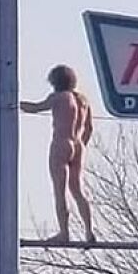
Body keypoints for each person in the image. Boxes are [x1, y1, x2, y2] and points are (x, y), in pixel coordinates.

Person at [21, 64, 95, 245]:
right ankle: (89, 231)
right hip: (78, 145)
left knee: (59, 191)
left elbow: (36, 107)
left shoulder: (59, 97)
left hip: (61, 143)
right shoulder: (83, 100)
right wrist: (81, 145)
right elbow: (89, 128)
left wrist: (15, 102)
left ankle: (64, 232)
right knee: (77, 190)